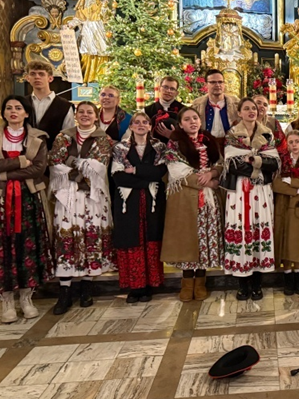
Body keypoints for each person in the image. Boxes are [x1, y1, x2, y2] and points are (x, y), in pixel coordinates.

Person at [0, 96, 53, 323]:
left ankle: (27, 298)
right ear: (3, 112)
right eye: (9, 108)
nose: (13, 111)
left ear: (26, 113)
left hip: (28, 199)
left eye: (18, 108)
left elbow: (38, 169)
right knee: (1, 247)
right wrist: (20, 162)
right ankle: (7, 301)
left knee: (27, 246)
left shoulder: (38, 138)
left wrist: (1, 172)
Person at [49, 101, 114, 315]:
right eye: (81, 112)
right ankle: (65, 291)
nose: (85, 115)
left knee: (90, 235)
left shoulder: (103, 139)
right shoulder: (63, 137)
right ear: (75, 115)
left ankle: (87, 287)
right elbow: (55, 162)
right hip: (67, 195)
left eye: (89, 112)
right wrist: (80, 166)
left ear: (96, 116)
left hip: (92, 196)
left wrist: (71, 162)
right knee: (66, 235)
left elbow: (99, 166)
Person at [161, 108, 223, 302]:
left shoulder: (209, 140)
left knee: (205, 236)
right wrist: (205, 182)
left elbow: (220, 163)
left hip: (209, 200)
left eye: (195, 118)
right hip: (185, 196)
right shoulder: (175, 143)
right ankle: (187, 283)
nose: (192, 122)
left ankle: (201, 282)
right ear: (180, 124)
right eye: (187, 119)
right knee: (187, 238)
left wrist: (212, 174)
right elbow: (176, 170)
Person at [222, 98, 280, 300]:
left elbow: (274, 163)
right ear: (239, 113)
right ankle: (242, 283)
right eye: (246, 108)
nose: (251, 111)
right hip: (239, 190)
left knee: (258, 229)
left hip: (261, 190)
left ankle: (257, 283)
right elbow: (232, 165)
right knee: (241, 228)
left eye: (254, 108)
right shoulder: (232, 134)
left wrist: (253, 160)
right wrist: (259, 165)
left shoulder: (267, 133)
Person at [111, 113, 167, 303]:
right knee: (131, 240)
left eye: (145, 122)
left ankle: (150, 285)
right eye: (137, 122)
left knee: (151, 239)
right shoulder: (121, 148)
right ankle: (135, 287)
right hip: (128, 201)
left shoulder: (159, 147)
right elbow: (118, 177)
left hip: (152, 200)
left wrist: (135, 170)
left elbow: (159, 172)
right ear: (131, 126)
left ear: (150, 126)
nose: (141, 125)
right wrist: (145, 180)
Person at [272, 130, 299, 296]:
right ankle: (288, 278)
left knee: (296, 242)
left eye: (297, 141)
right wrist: (296, 190)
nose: (294, 145)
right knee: (284, 240)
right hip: (282, 206)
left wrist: (290, 181)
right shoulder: (281, 160)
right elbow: (276, 184)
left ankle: (298, 277)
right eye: (290, 142)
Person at [25, 60, 74, 150]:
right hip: (26, 153)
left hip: (53, 153)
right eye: (33, 74)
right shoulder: (22, 103)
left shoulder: (64, 106)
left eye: (41, 74)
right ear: (28, 78)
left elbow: (68, 134)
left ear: (50, 78)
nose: (37, 77)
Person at [191, 69, 240, 145]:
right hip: (205, 145)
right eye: (213, 82)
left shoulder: (237, 103)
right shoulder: (196, 105)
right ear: (206, 84)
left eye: (220, 82)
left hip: (232, 145)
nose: (217, 85)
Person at [145, 76, 184, 142]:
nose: (168, 91)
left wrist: (174, 136)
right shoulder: (147, 111)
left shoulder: (184, 111)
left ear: (176, 93)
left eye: (172, 89)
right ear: (159, 89)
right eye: (165, 87)